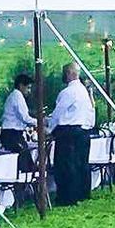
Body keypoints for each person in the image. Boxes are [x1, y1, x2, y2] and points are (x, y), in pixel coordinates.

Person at [48, 62, 96, 206]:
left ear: (69, 73)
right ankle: (82, 193)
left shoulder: (67, 92)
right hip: (83, 131)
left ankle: (67, 197)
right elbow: (90, 112)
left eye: (65, 72)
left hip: (68, 132)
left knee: (65, 165)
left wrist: (49, 128)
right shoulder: (83, 92)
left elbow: (58, 113)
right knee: (81, 163)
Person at [0, 73, 34, 156]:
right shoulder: (17, 96)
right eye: (28, 88)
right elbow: (25, 118)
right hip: (12, 134)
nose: (29, 91)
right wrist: (40, 122)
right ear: (21, 86)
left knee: (23, 158)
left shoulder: (13, 96)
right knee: (24, 159)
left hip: (10, 133)